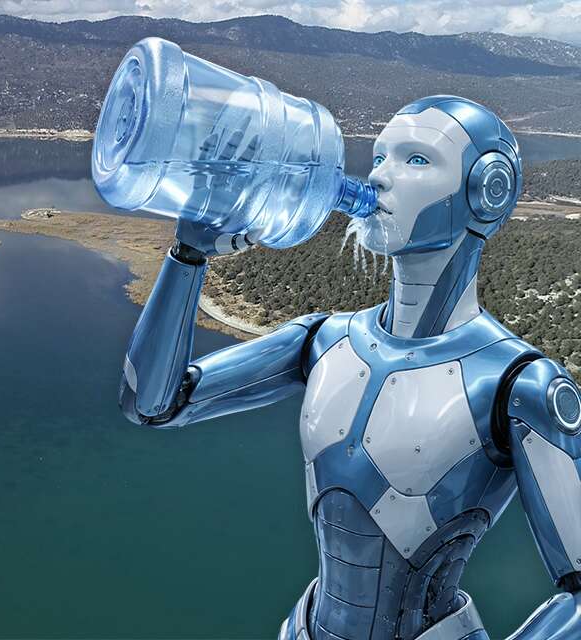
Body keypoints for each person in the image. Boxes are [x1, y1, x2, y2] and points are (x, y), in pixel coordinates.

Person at [118, 95, 581, 640]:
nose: (379, 177)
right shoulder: (324, 339)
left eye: (415, 160)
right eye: (379, 157)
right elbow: (153, 404)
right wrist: (188, 253)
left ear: (487, 191)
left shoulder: (518, 385)